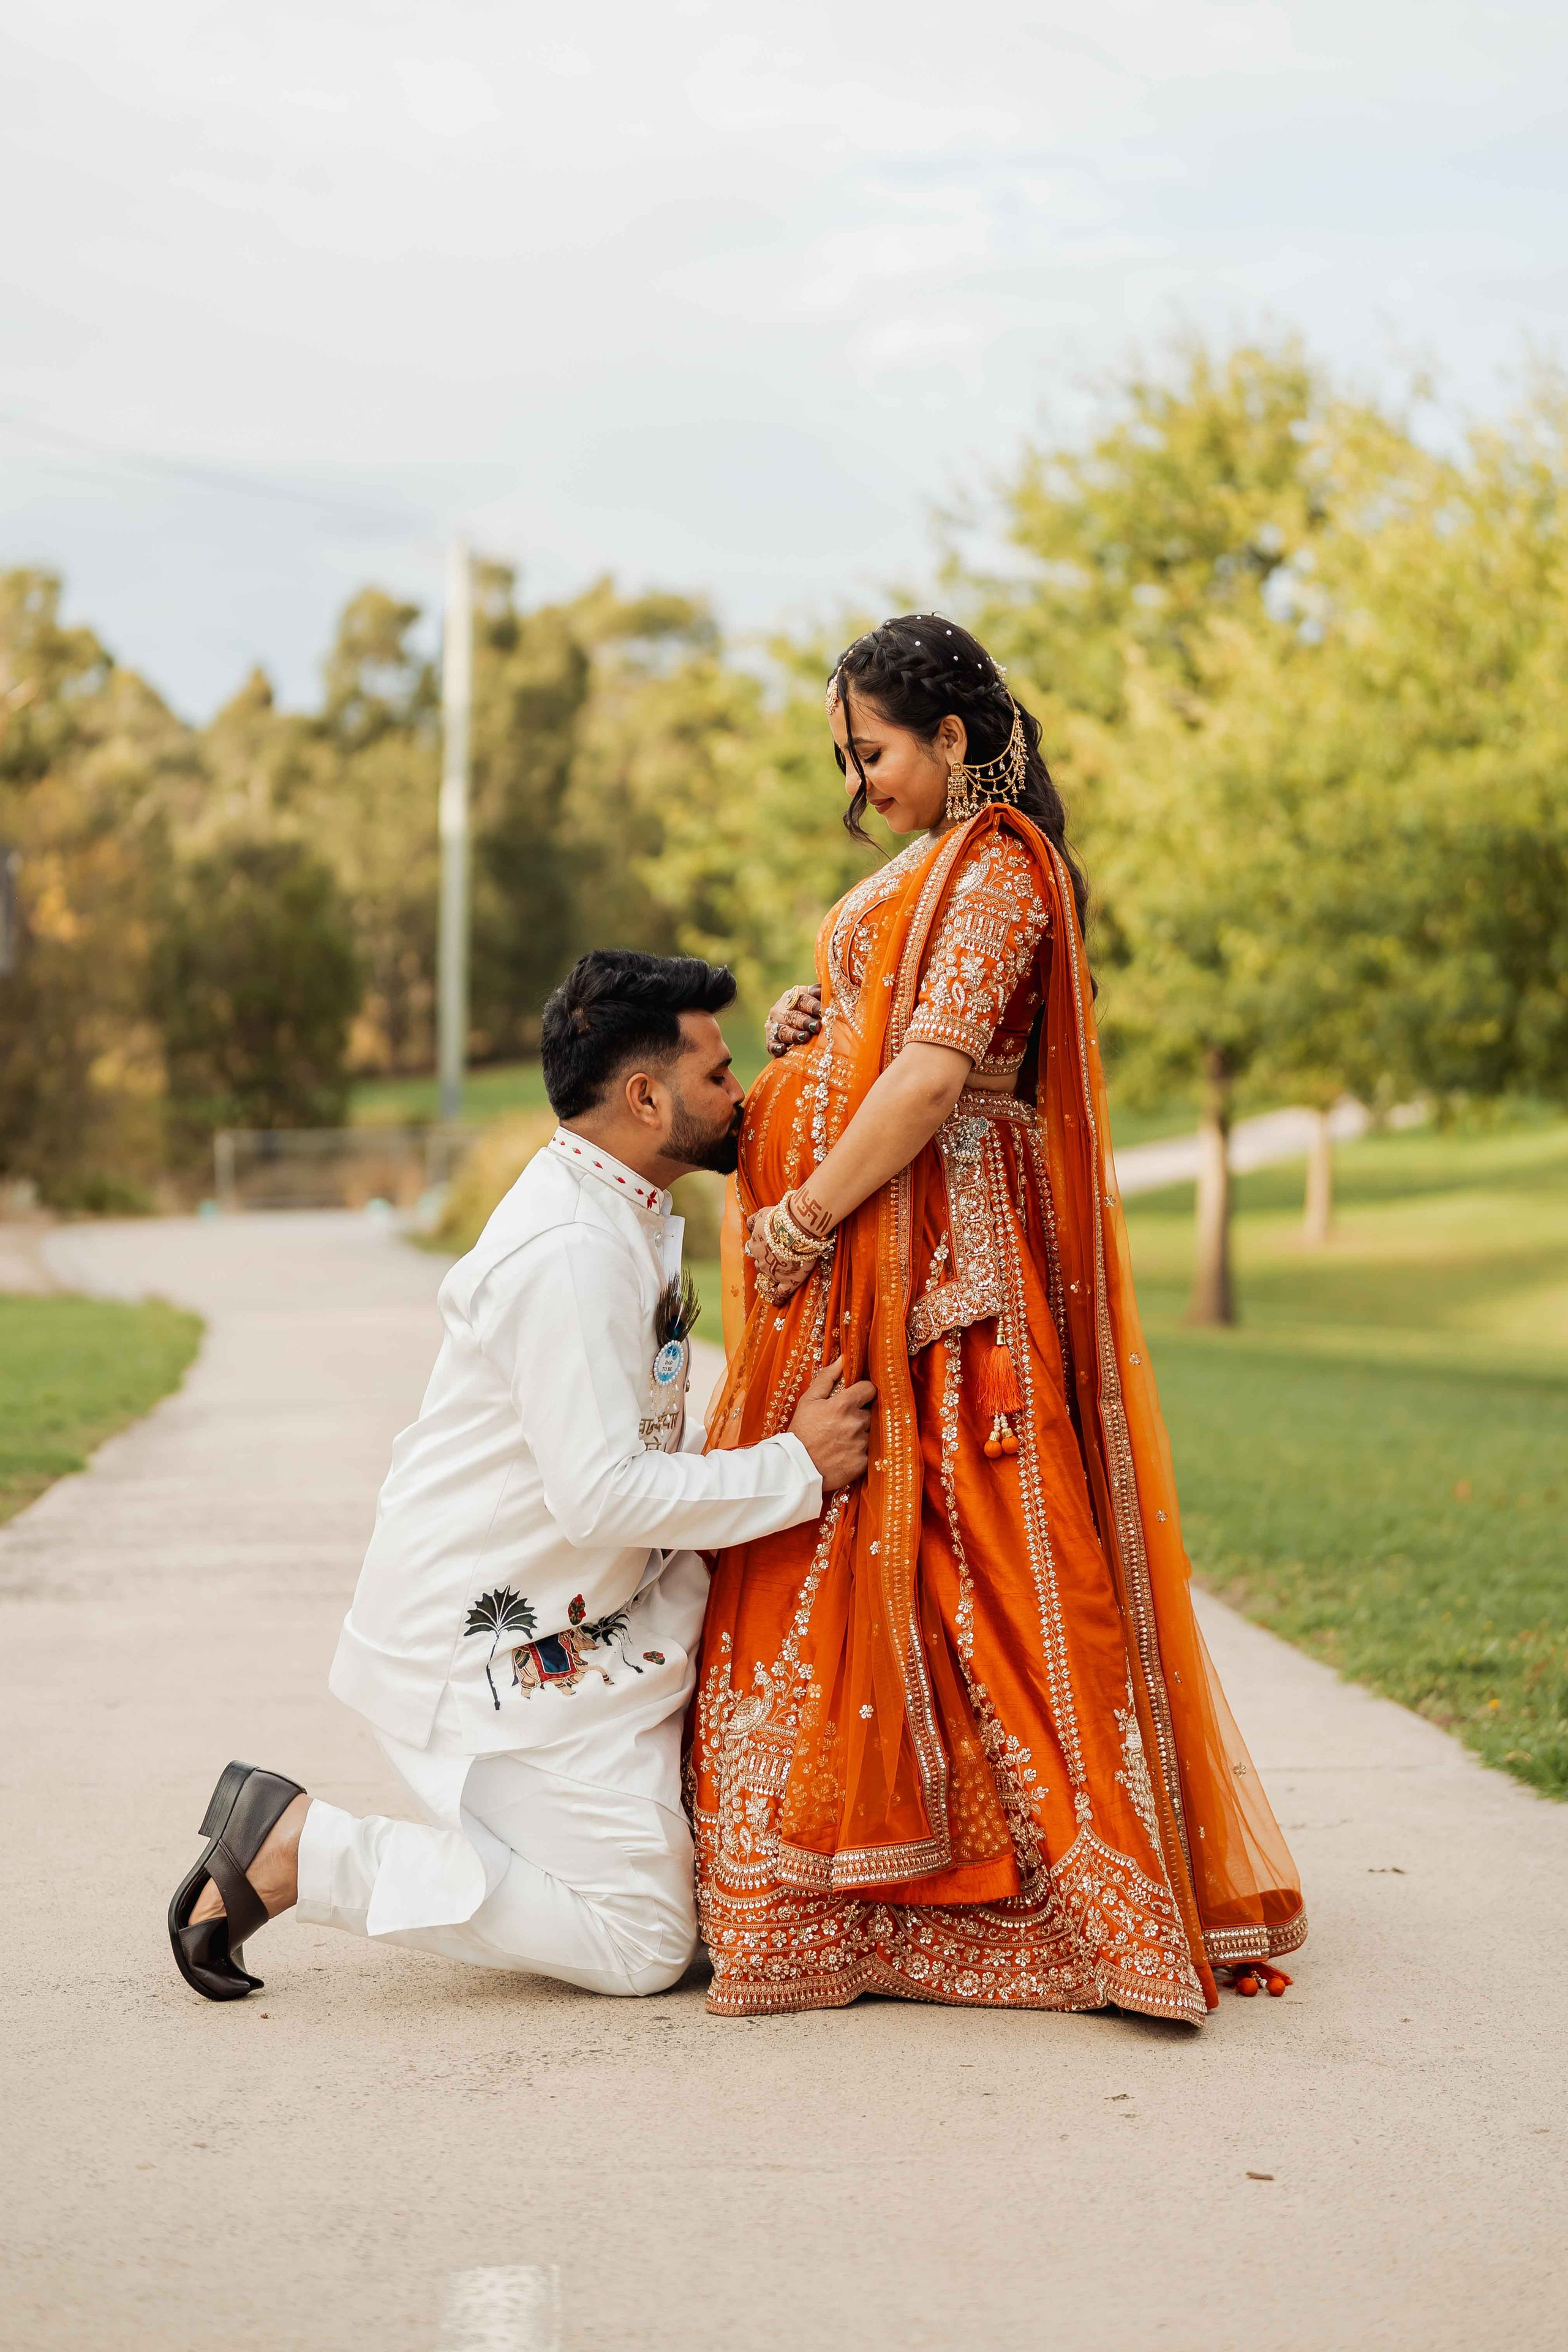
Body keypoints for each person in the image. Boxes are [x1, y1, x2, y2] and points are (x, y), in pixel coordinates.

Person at [689, 616, 1306, 2022]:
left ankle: (1073, 1911)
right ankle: (869, 1900)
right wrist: (820, 1022)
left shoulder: (1002, 873)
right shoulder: (932, 873)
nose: (855, 786)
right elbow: (882, 1047)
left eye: (873, 753)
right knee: (870, 1556)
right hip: (881, 1274)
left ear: (953, 739)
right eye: (843, 761)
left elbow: (926, 1085)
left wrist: (798, 1217)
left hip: (952, 1277)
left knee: (992, 1569)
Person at [167, 949, 874, 2004]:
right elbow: (600, 1493)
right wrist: (794, 1469)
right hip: (482, 1656)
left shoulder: (620, 1208)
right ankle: (303, 1849)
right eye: (719, 1077)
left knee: (688, 1918)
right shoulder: (569, 1252)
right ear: (644, 1098)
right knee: (641, 1941)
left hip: (594, 1628)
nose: (742, 1097)